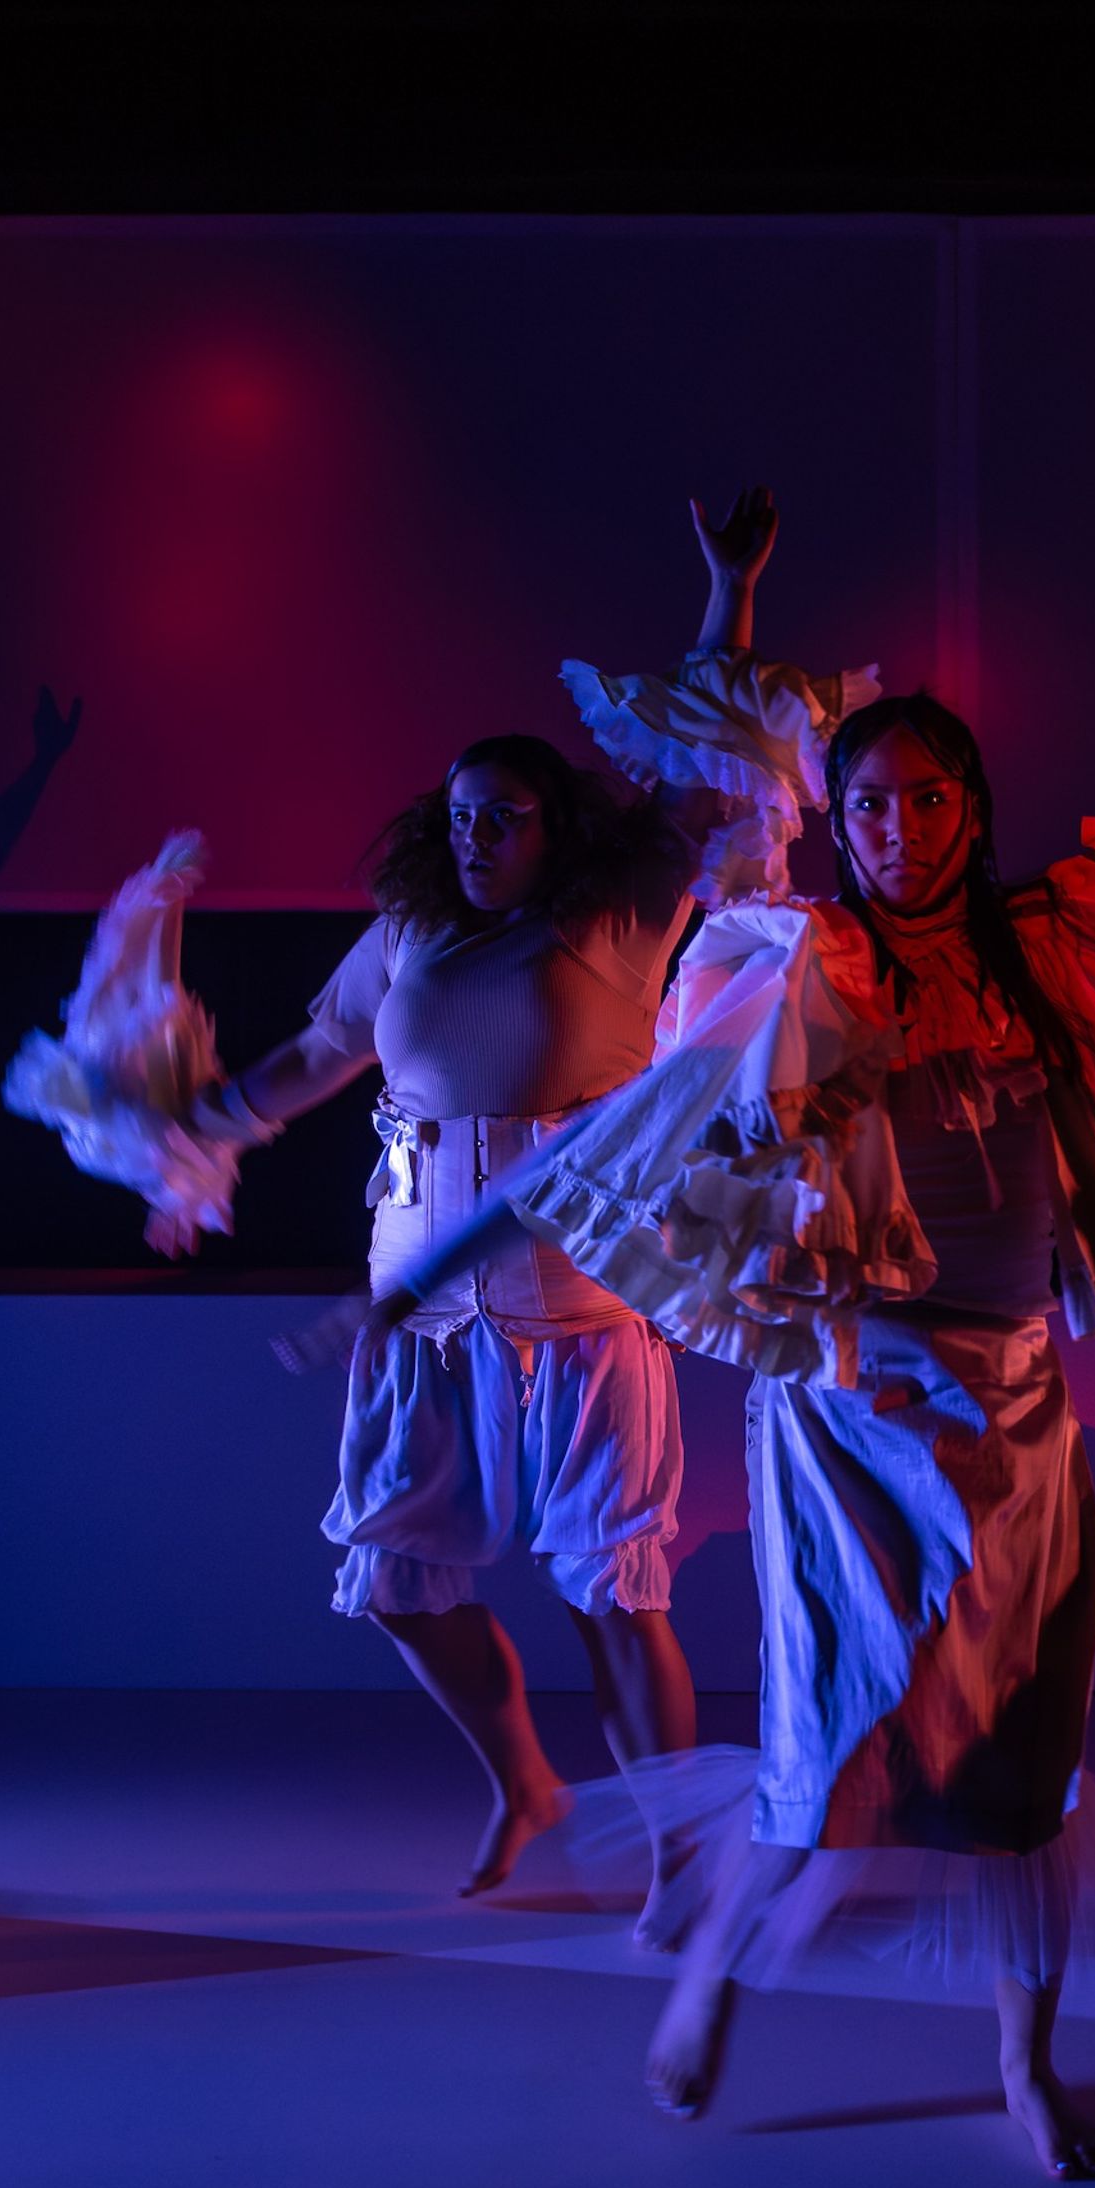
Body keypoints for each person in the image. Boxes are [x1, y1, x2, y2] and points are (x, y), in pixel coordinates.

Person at [321, 498, 1095, 2176]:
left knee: (1022, 1758)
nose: (898, 829)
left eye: (928, 799)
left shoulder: (1045, 942)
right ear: (835, 824)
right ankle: (710, 1981)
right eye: (869, 805)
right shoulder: (797, 964)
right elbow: (612, 1153)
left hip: (1021, 1410)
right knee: (833, 1739)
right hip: (851, 1403)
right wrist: (412, 1273)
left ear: (970, 811)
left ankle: (1028, 2071)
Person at [179, 492, 868, 1929]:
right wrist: (203, 1134)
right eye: (461, 816)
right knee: (399, 1577)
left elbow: (701, 755)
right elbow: (316, 1057)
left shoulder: (616, 920)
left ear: (559, 828)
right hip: (427, 1302)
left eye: (507, 815)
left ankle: (686, 1853)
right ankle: (524, 1782)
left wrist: (726, 589)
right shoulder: (409, 938)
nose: (479, 834)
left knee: (616, 1593)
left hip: (582, 1296)